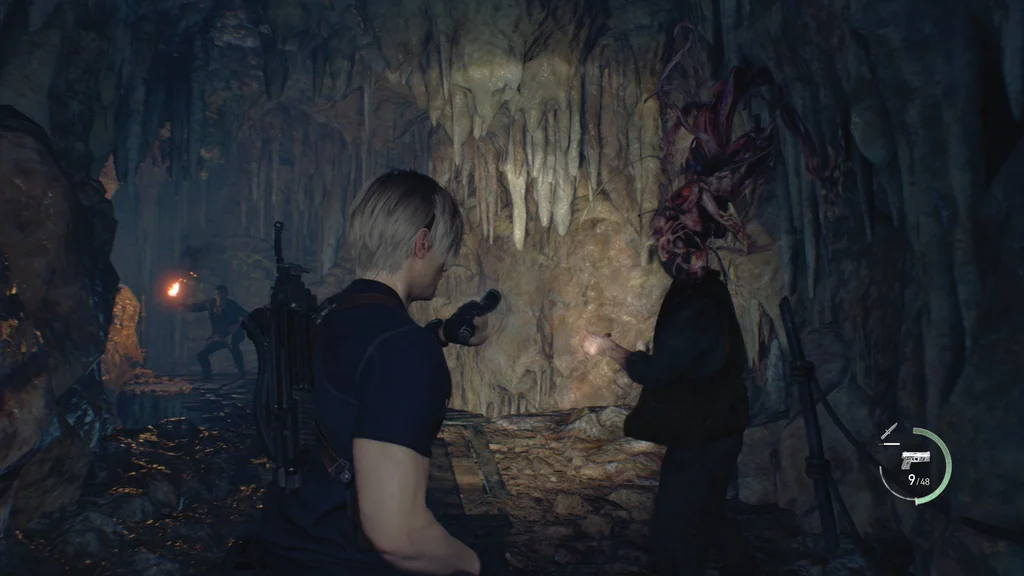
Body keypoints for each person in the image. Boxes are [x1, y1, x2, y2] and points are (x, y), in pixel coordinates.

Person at [254, 169, 490, 575]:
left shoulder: (327, 315)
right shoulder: (402, 349)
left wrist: (442, 334)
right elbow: (399, 538)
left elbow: (358, 375)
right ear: (422, 243)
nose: (448, 264)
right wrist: (477, 565)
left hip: (284, 544)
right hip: (343, 561)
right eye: (446, 249)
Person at [580, 208, 759, 575]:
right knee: (709, 515)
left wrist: (609, 349)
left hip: (703, 430)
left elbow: (660, 371)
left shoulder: (694, 303)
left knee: (673, 526)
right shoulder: (707, 288)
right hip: (722, 423)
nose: (661, 251)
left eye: (664, 244)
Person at [185, 284, 248, 381]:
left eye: (222, 294)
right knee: (202, 355)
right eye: (218, 294)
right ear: (215, 295)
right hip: (219, 336)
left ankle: (242, 374)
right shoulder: (211, 304)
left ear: (226, 295)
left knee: (234, 347)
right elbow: (197, 307)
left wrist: (235, 327)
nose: (220, 297)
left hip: (234, 335)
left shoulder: (232, 305)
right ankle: (207, 376)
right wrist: (182, 305)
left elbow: (246, 316)